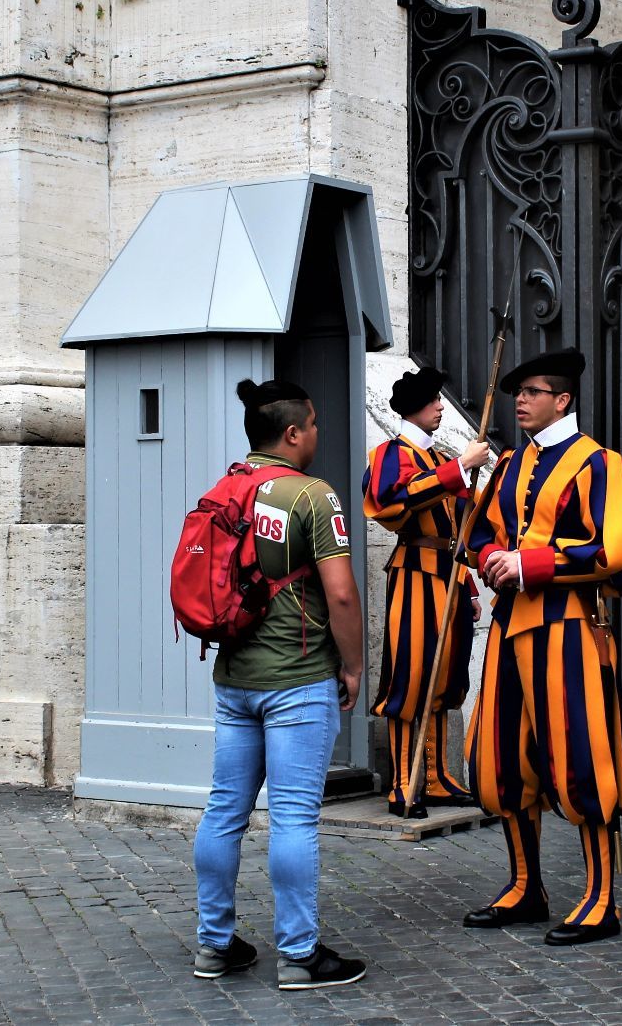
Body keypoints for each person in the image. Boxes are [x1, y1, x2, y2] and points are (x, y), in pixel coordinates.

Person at [460, 347, 622, 946]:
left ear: (563, 399)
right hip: (510, 626)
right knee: (501, 760)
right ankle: (526, 887)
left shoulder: (602, 465)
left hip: (569, 628)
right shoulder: (511, 464)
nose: (520, 399)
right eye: (518, 391)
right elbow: (481, 531)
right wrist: (491, 556)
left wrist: (533, 564)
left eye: (534, 391)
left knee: (582, 761)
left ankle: (602, 900)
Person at [192, 378, 367, 990]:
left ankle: (214, 945)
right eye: (314, 423)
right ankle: (299, 954)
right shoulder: (311, 496)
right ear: (293, 433)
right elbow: (341, 592)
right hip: (296, 680)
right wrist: (352, 665)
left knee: (224, 812)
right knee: (293, 816)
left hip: (234, 676)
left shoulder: (226, 488)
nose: (318, 433)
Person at [362, 366, 489, 818]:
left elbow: (457, 529)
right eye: (435, 399)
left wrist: (470, 585)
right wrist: (459, 469)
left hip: (449, 578)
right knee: (411, 678)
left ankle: (434, 777)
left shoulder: (438, 458)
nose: (441, 406)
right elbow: (391, 502)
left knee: (445, 680)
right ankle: (403, 782)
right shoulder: (390, 454)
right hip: (415, 575)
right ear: (414, 407)